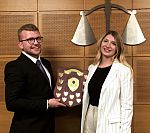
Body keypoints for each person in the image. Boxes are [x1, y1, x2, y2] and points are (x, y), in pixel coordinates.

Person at [4, 23, 66, 133]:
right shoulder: (14, 67)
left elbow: (46, 92)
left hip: (48, 127)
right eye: (30, 40)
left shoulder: (46, 63)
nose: (36, 43)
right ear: (20, 45)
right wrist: (47, 104)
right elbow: (12, 103)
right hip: (27, 128)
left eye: (38, 38)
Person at [81, 30, 133, 133]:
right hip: (89, 116)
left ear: (117, 49)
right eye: (105, 41)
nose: (108, 45)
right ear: (100, 43)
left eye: (113, 43)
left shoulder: (123, 71)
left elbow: (127, 105)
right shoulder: (92, 68)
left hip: (109, 122)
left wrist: (125, 131)